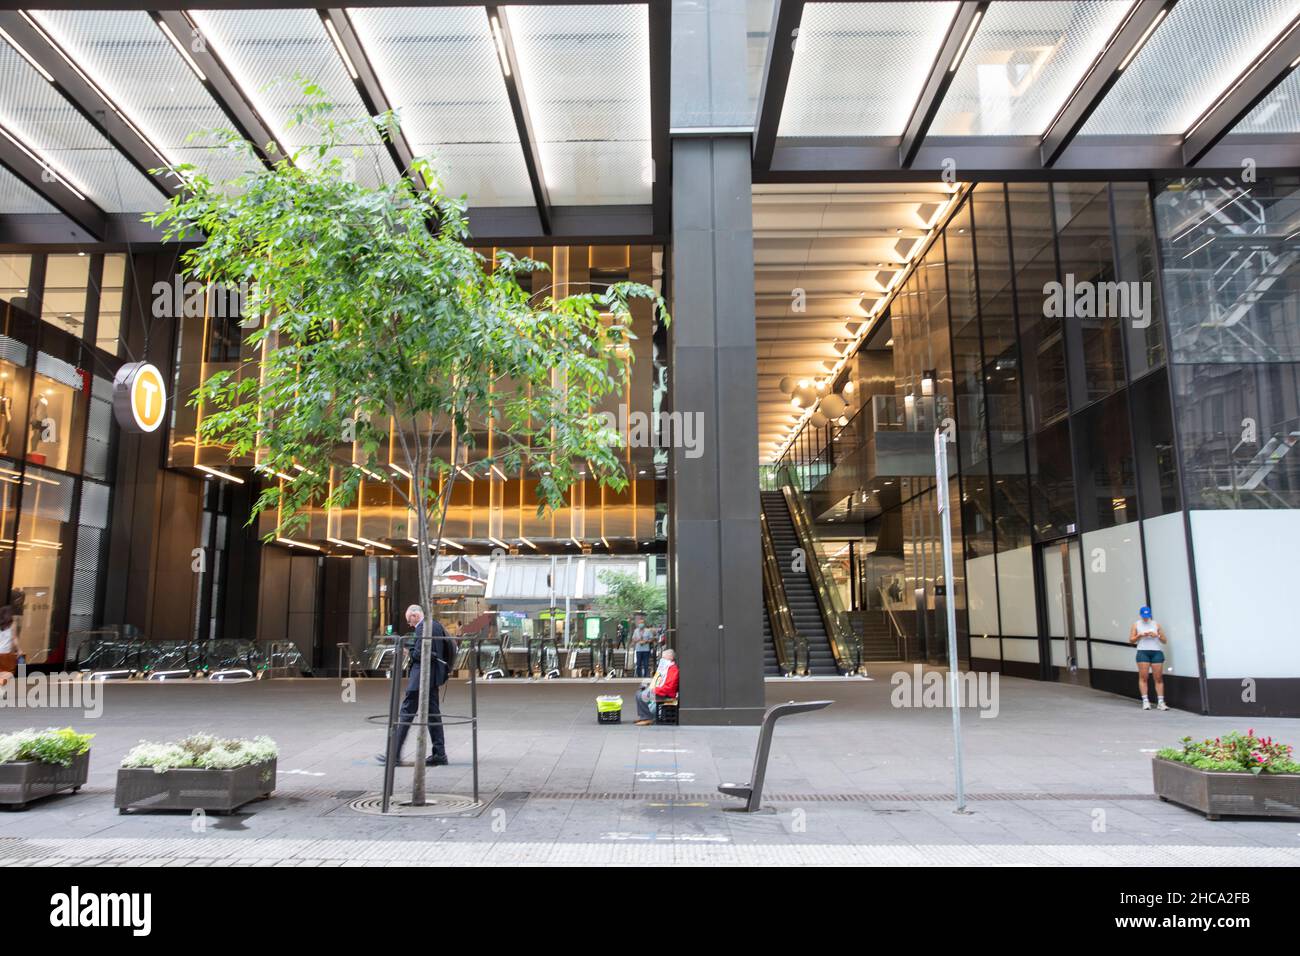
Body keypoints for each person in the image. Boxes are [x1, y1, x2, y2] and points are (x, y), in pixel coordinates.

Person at [377, 605, 456, 766]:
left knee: (406, 714)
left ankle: (394, 754)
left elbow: (421, 654)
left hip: (421, 678)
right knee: (433, 716)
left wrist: (408, 652)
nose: (410, 624)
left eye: (409, 620)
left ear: (415, 615)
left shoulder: (423, 628)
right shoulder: (435, 625)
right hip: (432, 678)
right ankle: (439, 754)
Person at [1129, 605, 1168, 711]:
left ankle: (1161, 702)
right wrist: (1139, 636)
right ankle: (1145, 701)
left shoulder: (1156, 624)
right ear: (1141, 615)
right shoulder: (1136, 624)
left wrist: (1157, 636)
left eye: (1147, 616)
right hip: (1142, 651)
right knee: (1144, 677)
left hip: (1156, 652)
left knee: (1158, 678)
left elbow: (1164, 640)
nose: (1146, 618)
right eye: (1144, 616)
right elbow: (1131, 640)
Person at [635, 648, 678, 725]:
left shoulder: (673, 669)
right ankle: (643, 716)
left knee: (643, 695)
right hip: (660, 690)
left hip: (665, 693)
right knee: (638, 693)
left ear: (670, 658)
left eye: (664, 658)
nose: (662, 660)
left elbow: (669, 687)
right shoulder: (666, 668)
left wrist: (655, 690)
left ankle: (648, 718)